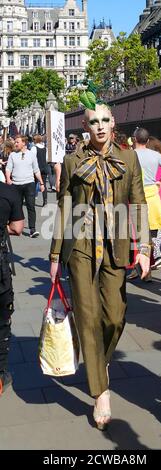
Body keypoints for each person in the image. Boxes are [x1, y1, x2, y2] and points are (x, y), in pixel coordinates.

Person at [49, 102, 151, 430]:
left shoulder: (129, 158)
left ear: (114, 122)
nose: (101, 126)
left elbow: (138, 203)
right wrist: (54, 257)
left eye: (106, 120)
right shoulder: (72, 160)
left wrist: (146, 248)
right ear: (86, 125)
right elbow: (64, 208)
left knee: (116, 316)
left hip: (116, 243)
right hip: (79, 244)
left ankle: (98, 362)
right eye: (94, 121)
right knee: (88, 317)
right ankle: (100, 391)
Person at [133, 128, 161, 278]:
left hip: (136, 194)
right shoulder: (156, 155)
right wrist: (160, 182)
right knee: (152, 230)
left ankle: (146, 264)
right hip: (152, 194)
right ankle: (153, 260)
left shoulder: (131, 155)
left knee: (139, 232)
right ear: (147, 140)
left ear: (134, 139)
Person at [0, 182, 24, 394]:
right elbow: (17, 228)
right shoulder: (9, 192)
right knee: (2, 324)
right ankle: (0, 375)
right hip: (0, 272)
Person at [6, 135, 45, 238]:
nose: (15, 144)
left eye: (17, 142)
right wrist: (8, 179)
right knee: (16, 207)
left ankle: (32, 229)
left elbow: (36, 170)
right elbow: (8, 169)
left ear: (24, 143)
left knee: (31, 206)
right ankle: (14, 226)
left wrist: (41, 183)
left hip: (29, 184)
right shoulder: (12, 155)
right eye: (15, 142)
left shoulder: (31, 154)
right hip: (16, 184)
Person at [31, 134, 48, 206]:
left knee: (34, 184)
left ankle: (32, 200)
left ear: (35, 140)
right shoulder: (45, 148)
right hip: (44, 167)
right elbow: (46, 159)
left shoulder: (34, 148)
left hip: (37, 168)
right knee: (43, 184)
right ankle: (45, 200)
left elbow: (32, 159)